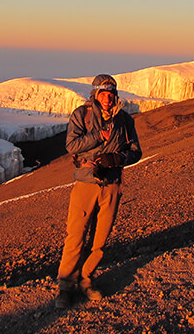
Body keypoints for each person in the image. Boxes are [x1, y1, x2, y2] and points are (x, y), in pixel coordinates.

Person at [55, 74, 142, 309]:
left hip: (112, 184)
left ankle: (86, 279)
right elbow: (71, 145)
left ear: (115, 96)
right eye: (103, 94)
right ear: (95, 95)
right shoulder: (81, 115)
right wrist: (97, 137)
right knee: (76, 234)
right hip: (85, 183)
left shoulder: (125, 120)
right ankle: (66, 286)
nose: (107, 99)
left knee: (100, 238)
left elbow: (136, 151)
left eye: (111, 94)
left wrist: (117, 159)